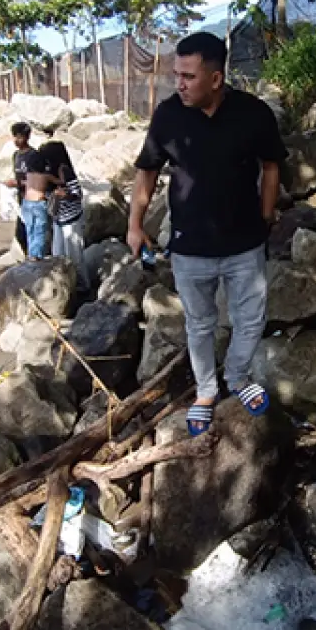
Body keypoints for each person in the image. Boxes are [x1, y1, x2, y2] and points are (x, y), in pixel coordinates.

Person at [127, 31, 288, 437]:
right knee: (199, 324)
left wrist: (267, 214)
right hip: (190, 247)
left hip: (245, 245)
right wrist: (134, 225)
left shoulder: (254, 113)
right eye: (176, 74)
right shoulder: (168, 115)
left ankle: (236, 377)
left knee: (250, 319)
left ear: (216, 78)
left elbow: (272, 165)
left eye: (188, 76)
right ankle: (205, 391)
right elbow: (146, 170)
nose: (178, 83)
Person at [36, 140, 88, 290]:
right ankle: (67, 285)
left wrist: (64, 195)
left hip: (71, 220)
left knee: (75, 256)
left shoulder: (65, 171)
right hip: (59, 219)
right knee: (57, 254)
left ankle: (82, 286)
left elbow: (77, 194)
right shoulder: (50, 172)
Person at [5, 121, 51, 260]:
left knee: (37, 232)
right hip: (22, 200)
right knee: (23, 233)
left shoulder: (34, 156)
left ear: (27, 137)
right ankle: (31, 259)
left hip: (35, 200)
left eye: (19, 137)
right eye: (15, 137)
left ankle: (37, 260)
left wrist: (18, 183)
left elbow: (40, 180)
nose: (16, 140)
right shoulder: (16, 155)